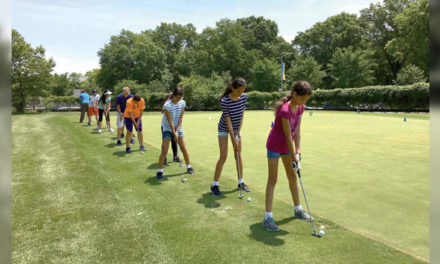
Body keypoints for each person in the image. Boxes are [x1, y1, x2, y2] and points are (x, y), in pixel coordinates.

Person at [262, 80, 313, 232]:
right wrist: (293, 157)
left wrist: (298, 151)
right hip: (275, 145)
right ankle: (268, 217)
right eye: (302, 98)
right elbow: (286, 135)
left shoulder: (300, 107)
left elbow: (296, 130)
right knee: (273, 179)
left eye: (306, 100)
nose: (304, 102)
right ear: (295, 94)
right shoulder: (284, 110)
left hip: (288, 146)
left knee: (292, 176)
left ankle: (298, 209)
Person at [210, 78, 248, 197]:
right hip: (224, 128)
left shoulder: (243, 97)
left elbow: (241, 115)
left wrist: (238, 132)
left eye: (242, 91)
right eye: (238, 91)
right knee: (223, 156)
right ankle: (214, 185)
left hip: (236, 129)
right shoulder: (225, 101)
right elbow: (228, 122)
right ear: (233, 88)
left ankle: (240, 182)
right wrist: (233, 137)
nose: (240, 94)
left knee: (238, 154)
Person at [156, 87, 194, 180]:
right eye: (177, 97)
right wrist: (174, 133)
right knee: (164, 149)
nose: (178, 100)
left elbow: (181, 118)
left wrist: (177, 131)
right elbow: (170, 121)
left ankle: (189, 166)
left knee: (183, 148)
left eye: (180, 98)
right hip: (167, 128)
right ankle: (160, 171)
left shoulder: (182, 103)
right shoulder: (167, 105)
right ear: (173, 95)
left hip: (178, 127)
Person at [160, 92, 181, 166]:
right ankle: (164, 159)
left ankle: (175, 157)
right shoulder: (167, 105)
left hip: (174, 125)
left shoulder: (177, 104)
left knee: (174, 142)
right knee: (165, 143)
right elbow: (169, 120)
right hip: (165, 126)